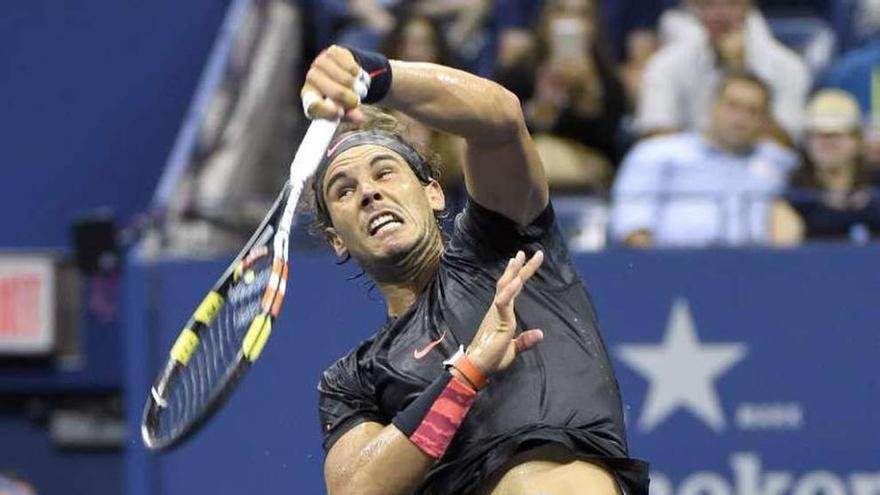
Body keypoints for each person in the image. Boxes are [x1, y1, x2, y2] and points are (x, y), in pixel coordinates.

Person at [301, 45, 649, 495]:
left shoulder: (502, 243)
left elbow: (500, 120)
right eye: (344, 190)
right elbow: (357, 491)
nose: (369, 193)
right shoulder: (352, 380)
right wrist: (467, 373)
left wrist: (375, 75)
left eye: (385, 173)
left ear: (434, 193)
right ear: (336, 241)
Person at [611, 72, 798, 248]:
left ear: (765, 120)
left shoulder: (776, 161)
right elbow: (633, 227)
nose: (740, 119)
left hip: (755, 269)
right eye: (733, 106)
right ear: (713, 106)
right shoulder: (658, 153)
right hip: (676, 267)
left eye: (752, 111)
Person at [636, 0, 810, 142]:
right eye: (709, 4)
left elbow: (786, 144)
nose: (719, 14)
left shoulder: (789, 68)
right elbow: (655, 136)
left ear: (748, 6)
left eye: (731, 3)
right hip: (688, 173)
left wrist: (739, 71)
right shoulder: (666, 65)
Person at [779, 89, 880, 242]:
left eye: (838, 134)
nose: (828, 142)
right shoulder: (794, 194)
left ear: (858, 140)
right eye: (819, 134)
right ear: (807, 141)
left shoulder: (876, 185)